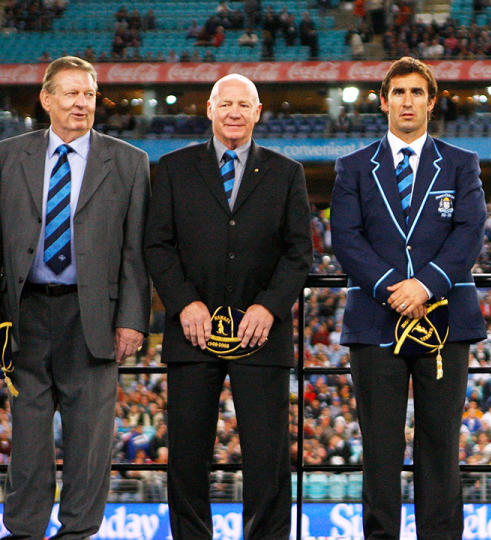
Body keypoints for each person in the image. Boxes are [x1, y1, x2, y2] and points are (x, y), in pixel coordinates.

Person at [144, 73, 312, 537]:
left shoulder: (286, 172)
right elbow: (157, 245)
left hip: (261, 333)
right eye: (226, 103)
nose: (234, 112)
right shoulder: (175, 168)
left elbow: (300, 254)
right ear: (210, 110)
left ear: (258, 112)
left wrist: (268, 308)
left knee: (268, 456)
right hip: (192, 332)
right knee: (186, 453)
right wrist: (184, 304)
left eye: (244, 104)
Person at [330, 56, 486, 539]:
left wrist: (426, 285)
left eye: (417, 92)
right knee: (379, 447)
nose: (407, 101)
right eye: (398, 92)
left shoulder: (461, 164)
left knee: (440, 445)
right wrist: (394, 290)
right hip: (377, 319)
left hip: (445, 319)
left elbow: (470, 232)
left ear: (432, 102)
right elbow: (345, 238)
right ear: (383, 101)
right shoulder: (353, 167)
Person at [0, 56, 151, 537]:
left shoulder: (129, 162)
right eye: (70, 93)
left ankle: (79, 533)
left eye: (88, 93)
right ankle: (23, 531)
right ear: (46, 99)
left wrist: (132, 318)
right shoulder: (6, 157)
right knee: (26, 437)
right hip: (22, 316)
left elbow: (136, 251)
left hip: (94, 317)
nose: (82, 103)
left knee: (89, 442)